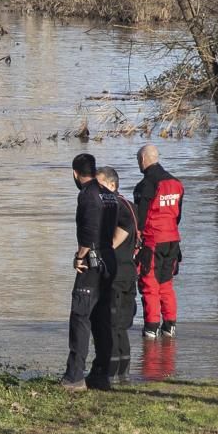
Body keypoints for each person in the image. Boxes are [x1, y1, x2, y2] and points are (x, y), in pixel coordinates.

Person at [62, 153, 118, 392]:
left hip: (92, 262)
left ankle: (74, 377)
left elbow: (89, 230)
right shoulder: (109, 194)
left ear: (75, 173)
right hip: (109, 259)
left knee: (80, 317)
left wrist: (79, 256)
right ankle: (101, 373)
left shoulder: (87, 195)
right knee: (102, 318)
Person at [133, 144, 184, 339]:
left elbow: (141, 217)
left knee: (149, 285)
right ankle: (169, 326)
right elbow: (178, 215)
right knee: (166, 284)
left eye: (139, 160)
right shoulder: (176, 183)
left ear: (143, 160)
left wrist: (137, 241)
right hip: (172, 240)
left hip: (153, 240)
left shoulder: (146, 185)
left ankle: (151, 328)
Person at [95, 166, 139, 383]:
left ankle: (110, 373)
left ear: (112, 185)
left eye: (100, 184)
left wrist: (108, 245)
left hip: (116, 272)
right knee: (121, 324)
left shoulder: (114, 205)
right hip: (129, 271)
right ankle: (123, 373)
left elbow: (124, 227)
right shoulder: (131, 206)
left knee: (112, 323)